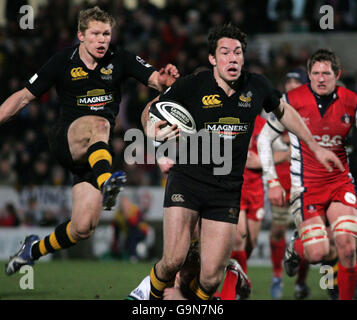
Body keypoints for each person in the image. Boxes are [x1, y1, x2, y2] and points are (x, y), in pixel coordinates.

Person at [141, 24, 343, 300]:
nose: (232, 58)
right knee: (173, 261)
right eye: (225, 53)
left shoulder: (256, 85)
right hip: (187, 181)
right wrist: (151, 129)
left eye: (237, 52)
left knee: (211, 279)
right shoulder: (193, 84)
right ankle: (150, 304)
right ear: (213, 59)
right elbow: (153, 109)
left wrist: (315, 146)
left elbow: (285, 113)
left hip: (225, 191)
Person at [3, 6, 179, 276]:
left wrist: (164, 80)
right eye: (95, 33)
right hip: (68, 139)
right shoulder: (62, 61)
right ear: (81, 35)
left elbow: (156, 79)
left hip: (98, 153)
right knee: (98, 122)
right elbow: (23, 97)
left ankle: (32, 250)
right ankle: (106, 180)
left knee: (82, 227)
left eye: (106, 34)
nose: (102, 40)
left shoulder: (120, 58)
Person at [258, 49, 357, 300]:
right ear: (309, 75)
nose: (320, 78)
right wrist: (272, 181)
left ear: (337, 75)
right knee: (318, 253)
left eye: (326, 73)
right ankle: (296, 246)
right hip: (306, 188)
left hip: (340, 183)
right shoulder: (290, 101)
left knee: (347, 246)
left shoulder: (351, 101)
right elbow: (263, 140)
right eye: (315, 73)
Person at [219, 113, 289, 300]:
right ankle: (236, 285)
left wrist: (262, 161)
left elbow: (286, 152)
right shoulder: (226, 120)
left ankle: (241, 275)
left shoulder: (265, 125)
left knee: (251, 241)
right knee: (239, 237)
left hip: (256, 190)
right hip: (234, 188)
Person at [258, 68, 312, 299]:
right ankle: (278, 277)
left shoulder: (311, 110)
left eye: (295, 81)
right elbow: (262, 145)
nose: (291, 84)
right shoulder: (270, 109)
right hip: (280, 181)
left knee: (309, 235)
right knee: (278, 231)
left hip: (306, 181)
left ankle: (300, 283)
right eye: (288, 80)